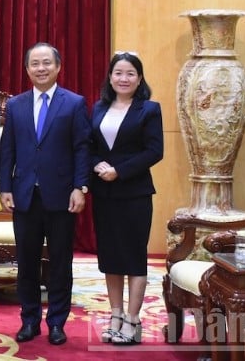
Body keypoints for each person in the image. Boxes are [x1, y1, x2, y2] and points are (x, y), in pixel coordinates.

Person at [0, 42, 91, 346]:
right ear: (27, 69)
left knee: (61, 262)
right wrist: (6, 188)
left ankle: (57, 322)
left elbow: (81, 148)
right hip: (25, 194)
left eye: (46, 63)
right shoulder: (15, 105)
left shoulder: (74, 103)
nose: (41, 68)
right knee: (26, 262)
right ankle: (29, 320)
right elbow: (7, 150)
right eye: (35, 64)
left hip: (62, 195)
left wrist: (80, 187)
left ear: (58, 67)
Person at [90, 52, 163, 345]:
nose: (124, 78)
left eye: (130, 73)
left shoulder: (149, 109)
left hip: (134, 193)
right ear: (110, 77)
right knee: (110, 258)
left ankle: (133, 320)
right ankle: (115, 315)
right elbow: (89, 144)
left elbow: (154, 151)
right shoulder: (98, 107)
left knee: (133, 257)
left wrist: (119, 171)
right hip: (104, 194)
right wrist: (96, 165)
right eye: (118, 73)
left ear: (139, 78)